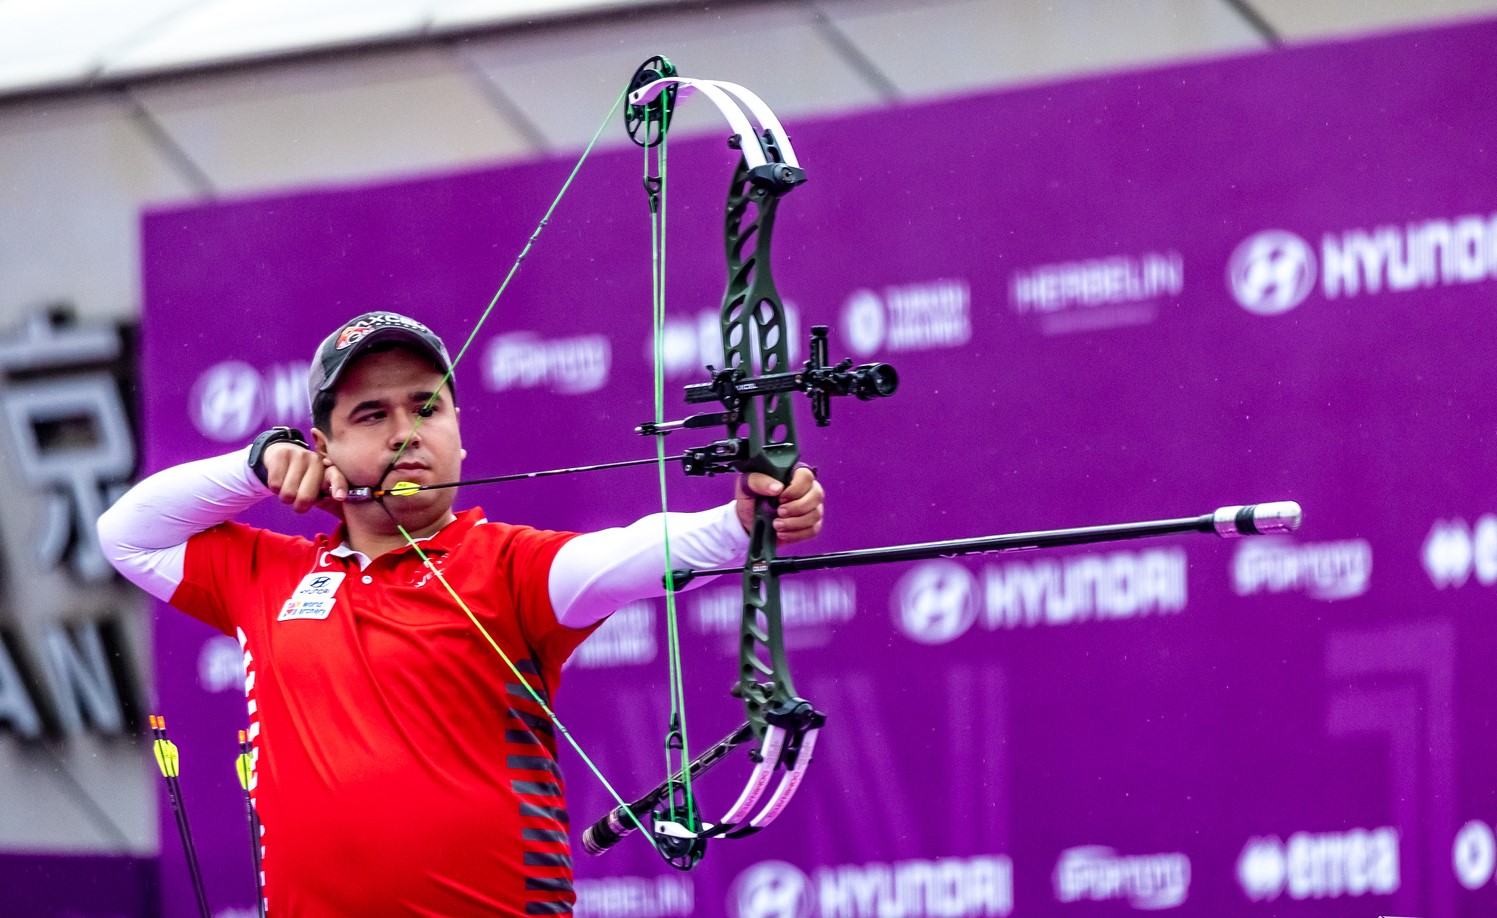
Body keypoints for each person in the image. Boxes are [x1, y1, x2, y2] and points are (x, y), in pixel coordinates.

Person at [97, 311, 825, 916]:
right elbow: (125, 534)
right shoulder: (266, 573)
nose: (405, 433)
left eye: (427, 408)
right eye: (371, 415)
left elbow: (638, 550)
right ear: (323, 447)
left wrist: (742, 521)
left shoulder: (509, 567)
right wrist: (255, 465)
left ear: (458, 428)